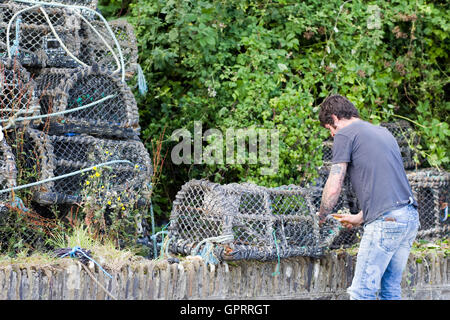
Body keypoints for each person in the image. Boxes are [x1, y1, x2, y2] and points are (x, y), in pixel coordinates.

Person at [317, 94, 419, 300]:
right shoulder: (382, 133)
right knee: (390, 291)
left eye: (330, 129)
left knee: (361, 292)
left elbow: (334, 185)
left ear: (335, 119)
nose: (333, 135)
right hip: (408, 217)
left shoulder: (345, 134)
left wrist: (320, 217)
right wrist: (361, 216)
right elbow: (388, 184)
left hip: (387, 222)